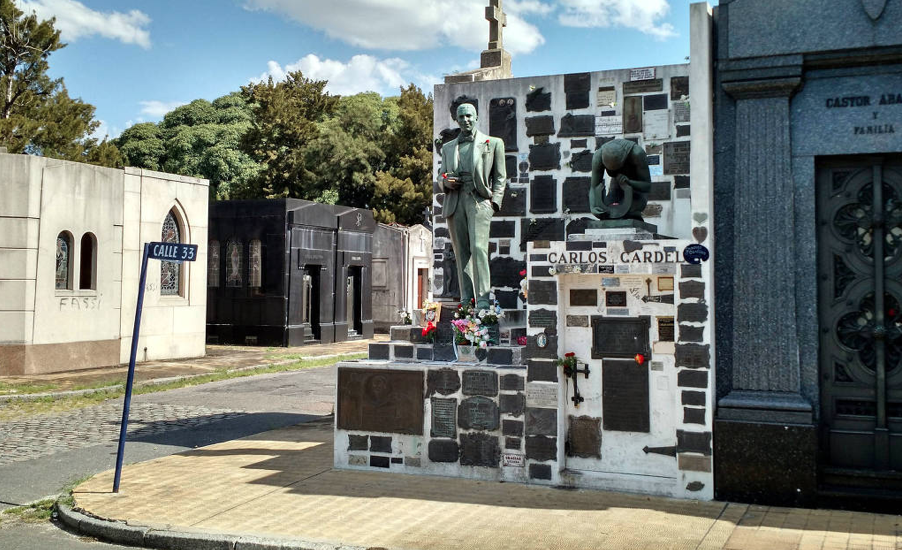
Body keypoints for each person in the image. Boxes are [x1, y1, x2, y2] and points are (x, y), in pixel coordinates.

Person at [440, 103, 507, 310]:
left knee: (478, 249)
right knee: (461, 253)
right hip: (455, 202)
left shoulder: (493, 143)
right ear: (456, 120)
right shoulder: (447, 148)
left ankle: (483, 299)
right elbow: (441, 175)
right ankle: (466, 300)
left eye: (469, 116)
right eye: (461, 117)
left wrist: (494, 202)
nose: (465, 120)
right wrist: (445, 182)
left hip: (479, 201)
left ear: (476, 117)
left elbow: (500, 176)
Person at [589, 138, 652, 220]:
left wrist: (629, 182)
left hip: (636, 186)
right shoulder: (598, 157)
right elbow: (594, 186)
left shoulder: (637, 153)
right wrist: (593, 207)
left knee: (630, 212)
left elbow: (647, 186)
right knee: (607, 212)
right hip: (616, 184)